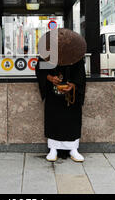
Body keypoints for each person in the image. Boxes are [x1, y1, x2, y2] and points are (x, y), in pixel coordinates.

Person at [35, 29, 87, 163]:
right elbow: (40, 68)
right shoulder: (48, 54)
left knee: (72, 121)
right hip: (54, 95)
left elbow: (81, 75)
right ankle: (53, 149)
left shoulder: (76, 56)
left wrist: (73, 85)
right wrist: (50, 77)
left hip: (70, 97)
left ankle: (73, 149)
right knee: (54, 120)